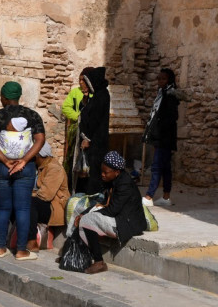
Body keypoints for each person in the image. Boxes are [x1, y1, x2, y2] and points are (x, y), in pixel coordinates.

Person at [0, 82, 45, 260]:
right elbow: (40, 140)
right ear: (19, 97)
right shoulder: (32, 115)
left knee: (3, 207)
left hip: (0, 167)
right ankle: (21, 251)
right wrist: (24, 160)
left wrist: (5, 161)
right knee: (23, 208)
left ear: (3, 97)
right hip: (25, 168)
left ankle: (1, 248)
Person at [75, 151, 146, 274]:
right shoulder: (112, 180)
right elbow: (101, 202)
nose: (102, 175)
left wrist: (87, 215)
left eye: (105, 172)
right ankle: (73, 254)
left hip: (126, 224)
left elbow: (112, 210)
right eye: (101, 172)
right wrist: (85, 212)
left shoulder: (124, 184)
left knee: (87, 220)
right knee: (80, 214)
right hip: (118, 218)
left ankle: (99, 262)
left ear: (117, 172)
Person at [142, 68, 179, 207]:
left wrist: (159, 129)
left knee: (157, 166)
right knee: (165, 167)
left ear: (169, 80)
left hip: (164, 137)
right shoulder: (162, 94)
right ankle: (166, 196)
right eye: (158, 78)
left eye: (163, 79)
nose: (160, 81)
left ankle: (149, 196)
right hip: (162, 136)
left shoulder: (169, 95)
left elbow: (171, 117)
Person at [24, 142, 70, 252]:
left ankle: (32, 240)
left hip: (54, 207)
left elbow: (45, 195)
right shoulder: (39, 167)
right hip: (43, 202)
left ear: (39, 155)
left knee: (30, 202)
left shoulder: (54, 168)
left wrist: (26, 195)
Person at [76, 67, 110, 195]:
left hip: (96, 143)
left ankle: (92, 198)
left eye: (84, 81)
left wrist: (87, 138)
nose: (81, 84)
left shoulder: (101, 96)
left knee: (94, 173)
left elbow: (94, 120)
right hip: (93, 142)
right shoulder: (95, 96)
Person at [62, 67, 93, 192]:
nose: (80, 82)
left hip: (89, 132)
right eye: (79, 79)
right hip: (76, 130)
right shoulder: (75, 92)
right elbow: (66, 107)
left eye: (83, 80)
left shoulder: (94, 94)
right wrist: (77, 116)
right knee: (72, 159)